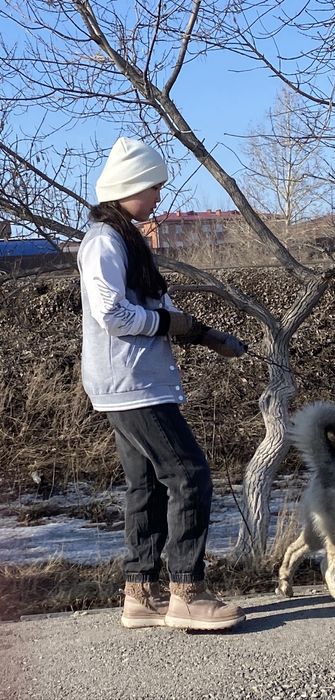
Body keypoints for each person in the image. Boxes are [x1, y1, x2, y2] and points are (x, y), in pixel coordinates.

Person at [77, 136, 247, 631]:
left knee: (146, 485)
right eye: (152, 187)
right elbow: (112, 313)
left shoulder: (126, 237)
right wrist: (169, 326)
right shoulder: (105, 241)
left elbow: (157, 309)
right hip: (132, 383)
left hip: (133, 381)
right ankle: (187, 594)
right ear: (129, 186)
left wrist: (204, 333)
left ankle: (140, 596)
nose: (157, 197)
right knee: (189, 474)